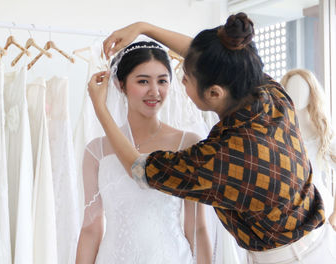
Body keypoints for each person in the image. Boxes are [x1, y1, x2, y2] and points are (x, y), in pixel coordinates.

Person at [88, 13, 336, 263]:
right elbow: (219, 60)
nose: (179, 82)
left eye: (186, 78)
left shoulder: (222, 158)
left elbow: (138, 169)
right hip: (320, 243)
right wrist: (145, 28)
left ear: (214, 92)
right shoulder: (270, 96)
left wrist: (101, 110)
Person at [75, 41, 212, 264]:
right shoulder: (96, 151)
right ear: (121, 85)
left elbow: (197, 227)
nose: (154, 91)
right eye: (143, 81)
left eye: (162, 81)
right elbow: (91, 228)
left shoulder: (188, 144)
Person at [281, 69, 336, 231]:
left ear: (312, 92)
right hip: (288, 209)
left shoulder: (323, 132)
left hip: (320, 206)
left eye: (302, 88)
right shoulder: (280, 131)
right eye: (292, 88)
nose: (297, 94)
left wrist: (335, 214)